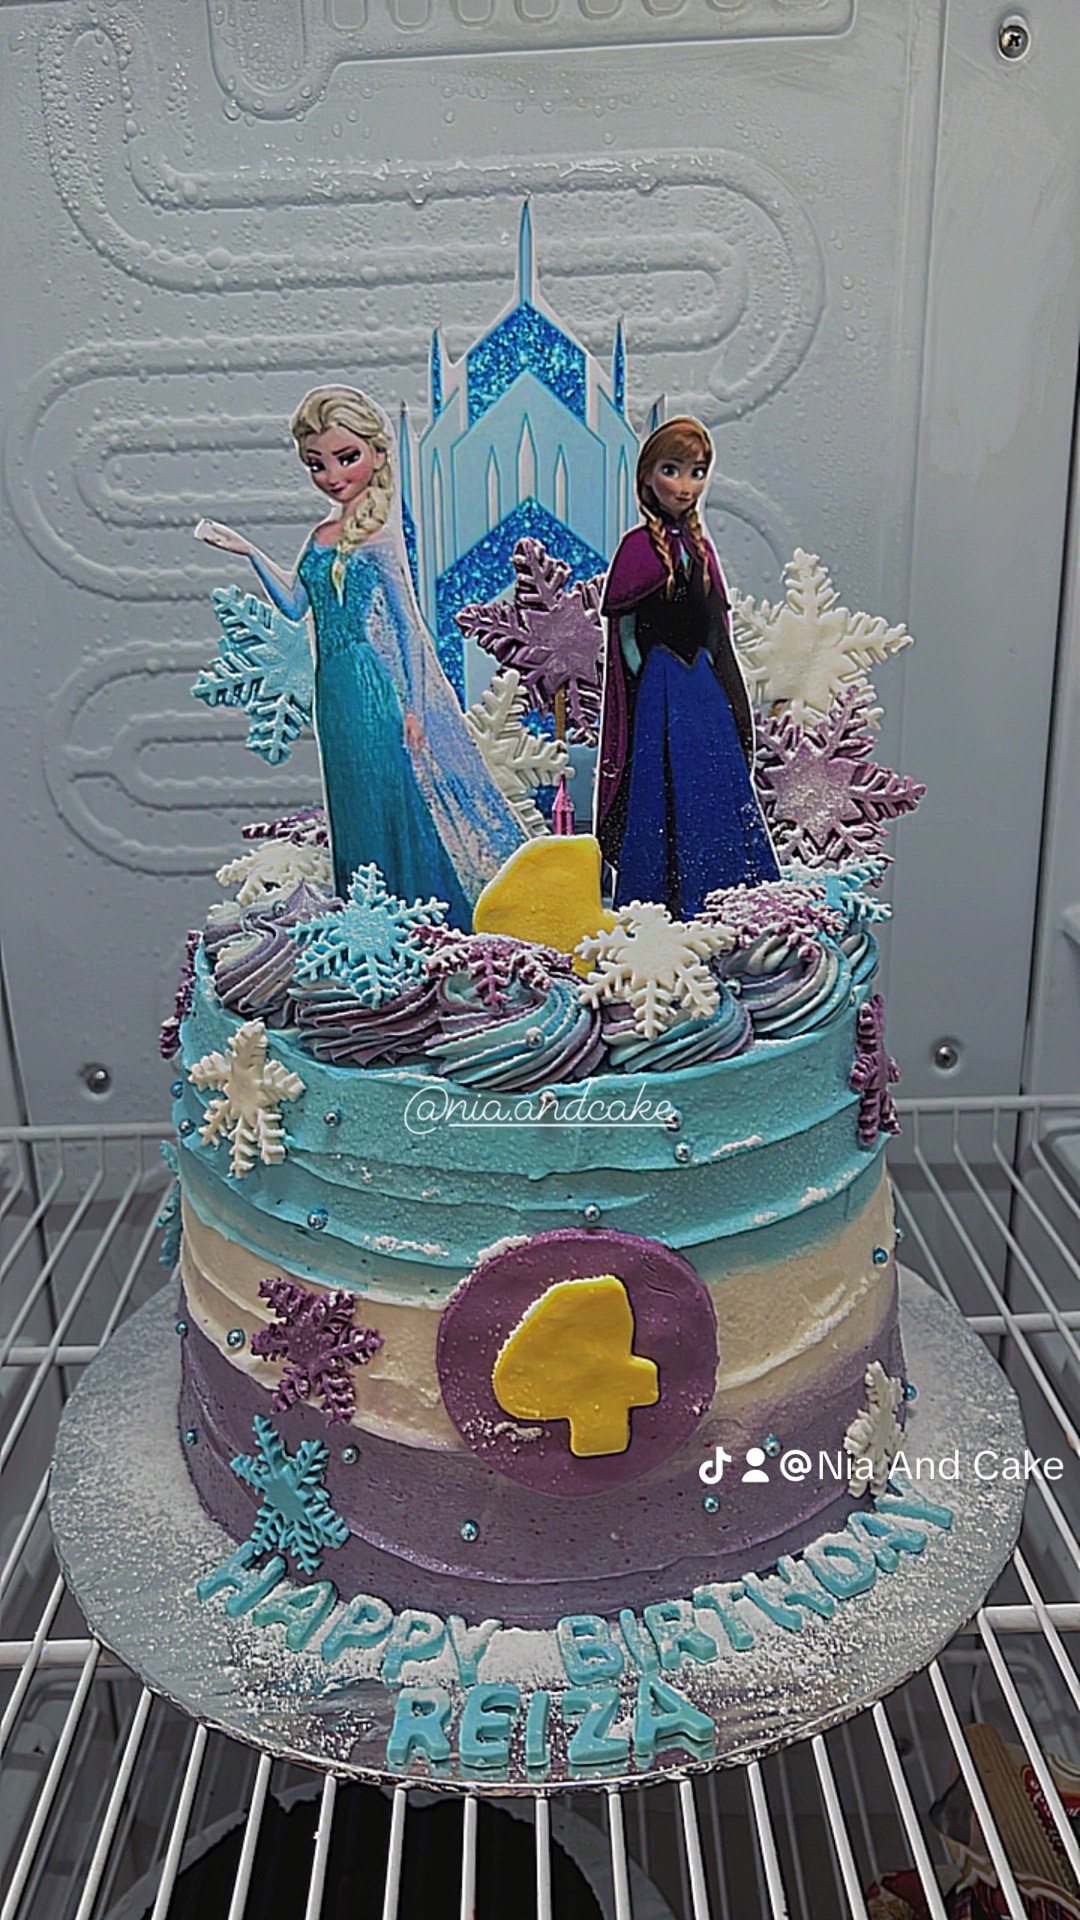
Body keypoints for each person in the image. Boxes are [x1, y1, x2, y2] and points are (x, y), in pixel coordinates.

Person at [195, 385, 523, 924]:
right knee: (349, 798)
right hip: (332, 689)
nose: (331, 475)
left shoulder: (377, 538)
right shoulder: (321, 535)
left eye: (346, 457)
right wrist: (248, 551)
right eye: (316, 464)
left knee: (383, 794)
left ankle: (412, 914)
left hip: (367, 683)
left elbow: (407, 627)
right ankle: (360, 913)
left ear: (376, 453)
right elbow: (294, 605)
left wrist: (414, 707)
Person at [594, 417, 779, 918]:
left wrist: (724, 685)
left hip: (702, 686)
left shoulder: (701, 548)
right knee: (660, 787)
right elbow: (624, 631)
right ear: (647, 476)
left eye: (697, 472)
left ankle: (725, 890)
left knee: (712, 781)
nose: (684, 485)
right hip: (661, 688)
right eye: (672, 470)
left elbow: (716, 627)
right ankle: (661, 899)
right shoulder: (636, 549)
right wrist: (647, 673)